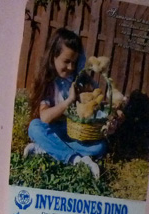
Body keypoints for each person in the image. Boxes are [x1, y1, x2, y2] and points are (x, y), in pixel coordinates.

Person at [23, 27, 106, 178]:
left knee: (100, 147)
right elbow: (45, 118)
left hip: (74, 133)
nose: (70, 67)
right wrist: (69, 100)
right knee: (35, 127)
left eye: (74, 62)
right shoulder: (48, 82)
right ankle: (76, 160)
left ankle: (44, 149)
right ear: (53, 57)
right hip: (53, 130)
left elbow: (95, 103)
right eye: (66, 61)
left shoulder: (79, 80)